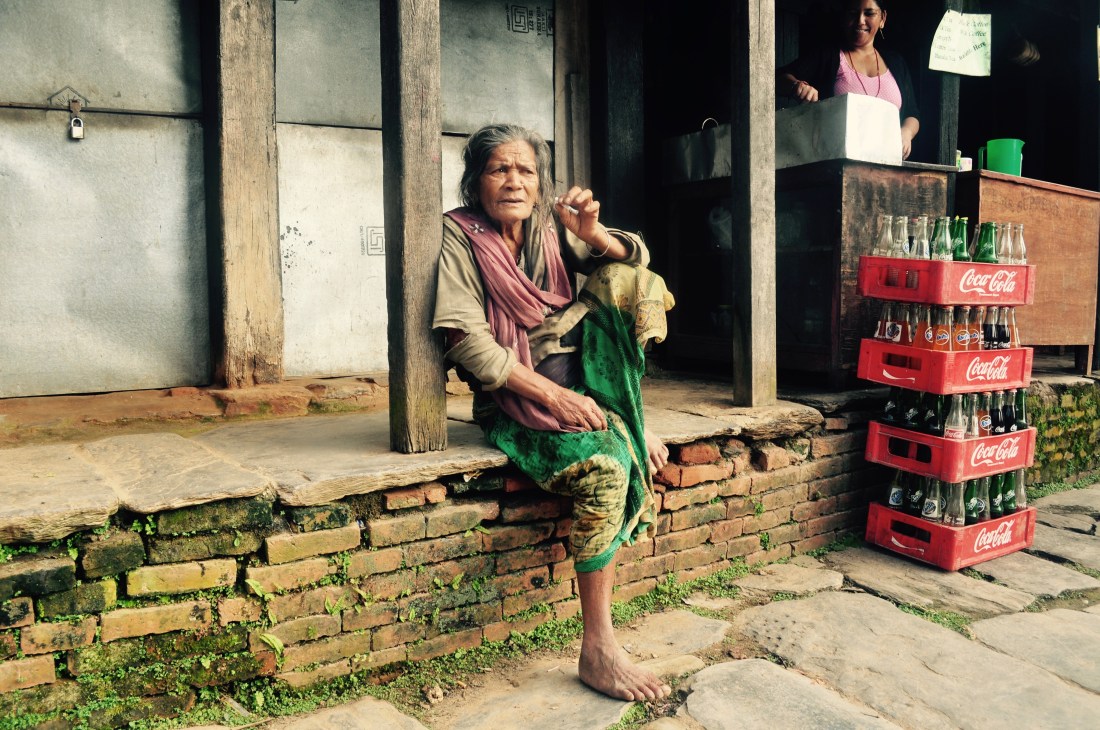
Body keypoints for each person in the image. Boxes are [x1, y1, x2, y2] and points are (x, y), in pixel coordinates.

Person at [433, 123, 674, 702]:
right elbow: (465, 337)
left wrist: (593, 234)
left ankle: (631, 421)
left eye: (526, 170)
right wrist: (553, 396)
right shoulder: (459, 236)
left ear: (541, 184)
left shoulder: (550, 230)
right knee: (608, 468)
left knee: (625, 276)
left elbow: (638, 257)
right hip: (515, 400)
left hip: (584, 384)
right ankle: (598, 647)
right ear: (476, 181)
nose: (513, 181)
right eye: (499, 169)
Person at [777, 0, 920, 159]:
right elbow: (778, 78)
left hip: (887, 168)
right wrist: (797, 86)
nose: (860, 20)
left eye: (869, 13)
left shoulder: (896, 63)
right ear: (844, 18)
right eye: (853, 13)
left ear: (883, 19)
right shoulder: (829, 55)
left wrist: (906, 133)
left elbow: (912, 114)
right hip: (836, 166)